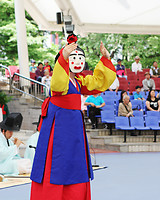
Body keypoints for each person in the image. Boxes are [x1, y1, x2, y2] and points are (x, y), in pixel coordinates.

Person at [30, 34, 116, 200]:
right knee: (57, 160)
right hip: (59, 124)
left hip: (74, 125)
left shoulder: (79, 80)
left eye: (79, 58)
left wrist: (105, 59)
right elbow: (57, 83)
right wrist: (63, 55)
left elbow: (98, 82)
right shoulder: (59, 81)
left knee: (74, 160)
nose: (76, 61)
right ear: (64, 61)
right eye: (72, 58)